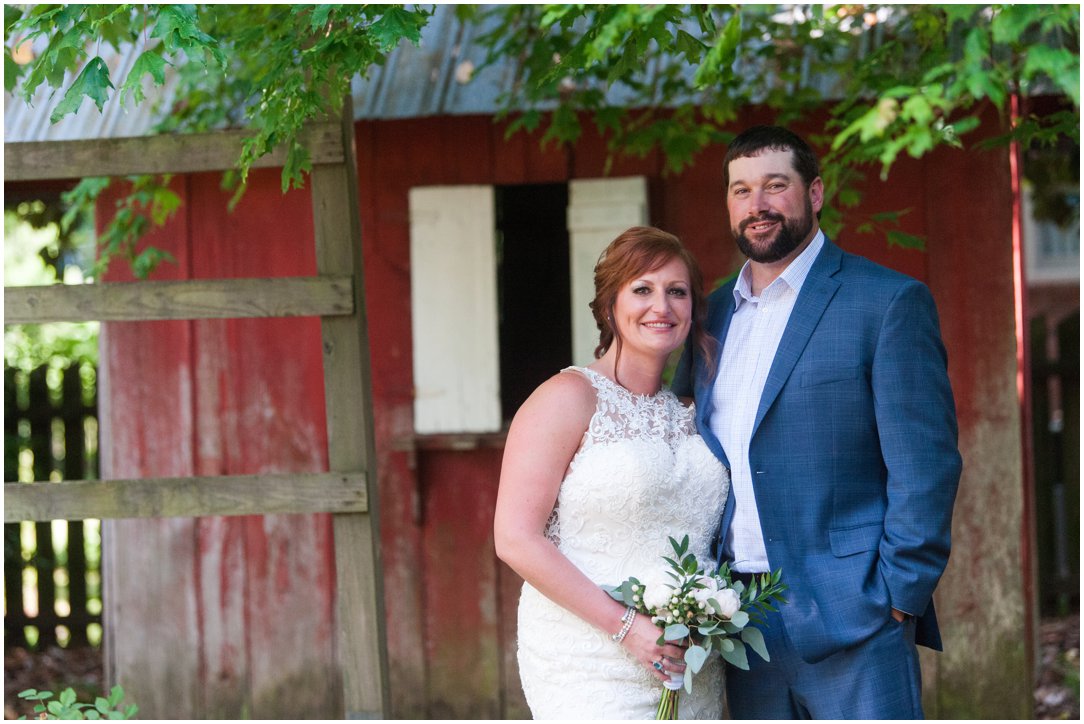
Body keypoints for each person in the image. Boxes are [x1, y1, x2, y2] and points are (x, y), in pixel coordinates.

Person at [673, 125, 962, 719]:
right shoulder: (710, 315)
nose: (757, 205)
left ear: (816, 193)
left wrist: (898, 597)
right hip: (737, 618)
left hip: (855, 613)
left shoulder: (885, 302)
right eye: (741, 190)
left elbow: (925, 464)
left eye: (775, 186)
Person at [494, 226, 730, 719]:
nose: (661, 306)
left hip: (690, 661)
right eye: (642, 289)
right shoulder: (567, 398)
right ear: (609, 306)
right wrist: (627, 626)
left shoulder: (692, 412)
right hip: (589, 658)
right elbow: (515, 538)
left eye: (677, 291)